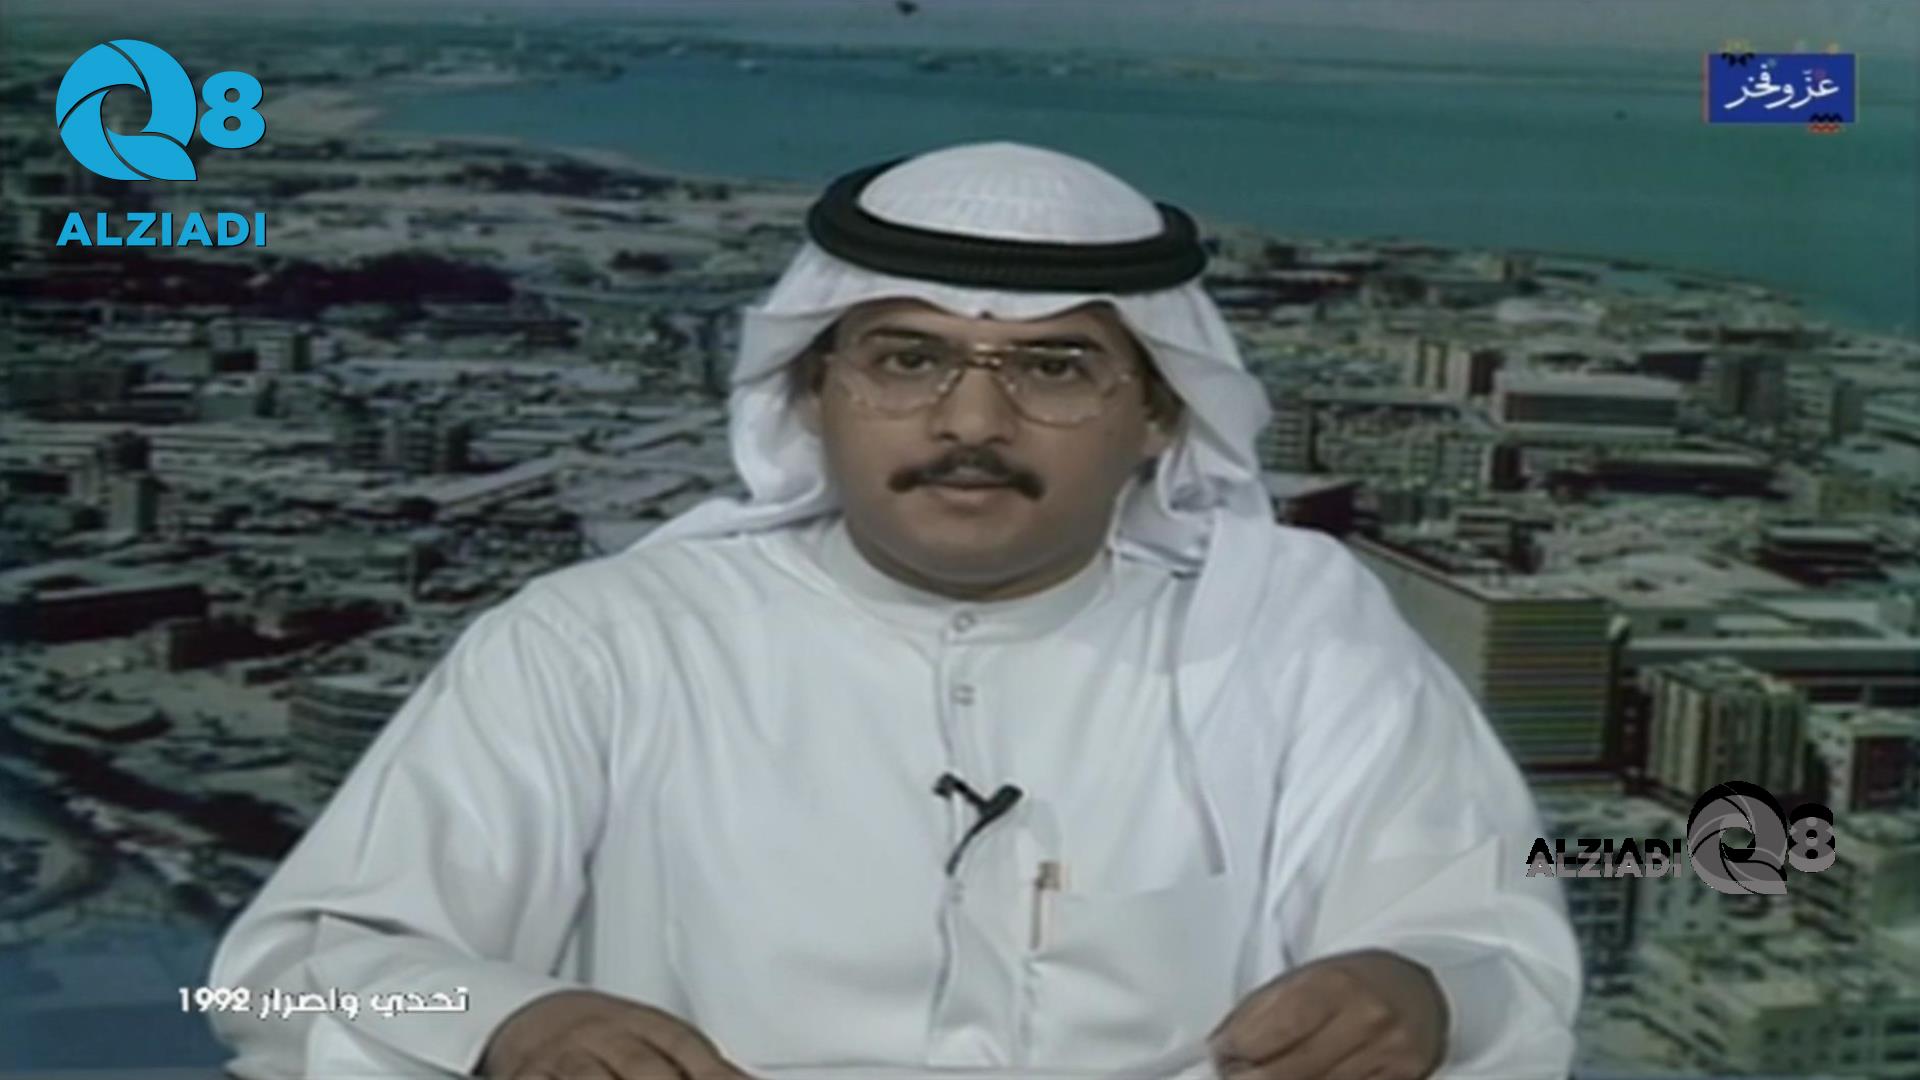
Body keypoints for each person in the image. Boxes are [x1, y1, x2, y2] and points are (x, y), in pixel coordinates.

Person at [207, 141, 1582, 1080]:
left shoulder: (1292, 634)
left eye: (1055, 368)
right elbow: (275, 981)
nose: (972, 421)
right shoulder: (602, 642)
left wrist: (1423, 994)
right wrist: (514, 1025)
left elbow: (1489, 944)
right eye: (909, 360)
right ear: (815, 391)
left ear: (1160, 414)